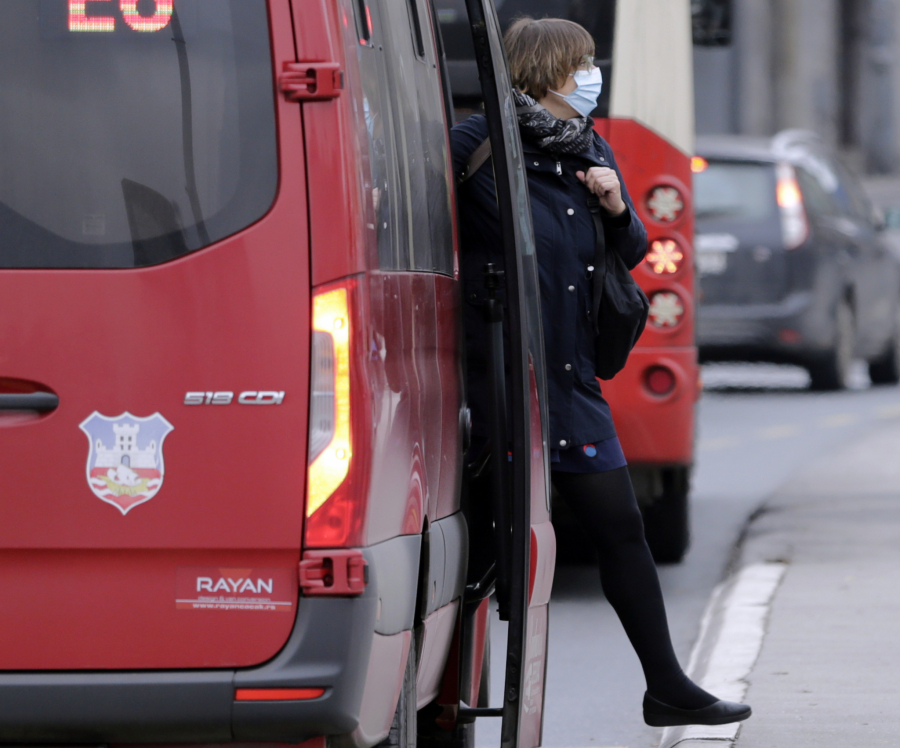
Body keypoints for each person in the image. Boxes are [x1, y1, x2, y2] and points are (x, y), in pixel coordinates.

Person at [450, 16, 751, 728]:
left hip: (572, 380)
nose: (592, 77)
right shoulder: (477, 144)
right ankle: (439, 698)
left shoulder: (587, 144)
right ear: (548, 71)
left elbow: (635, 249)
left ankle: (667, 687)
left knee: (622, 531)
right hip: (500, 383)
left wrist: (616, 206)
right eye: (581, 65)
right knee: (479, 554)